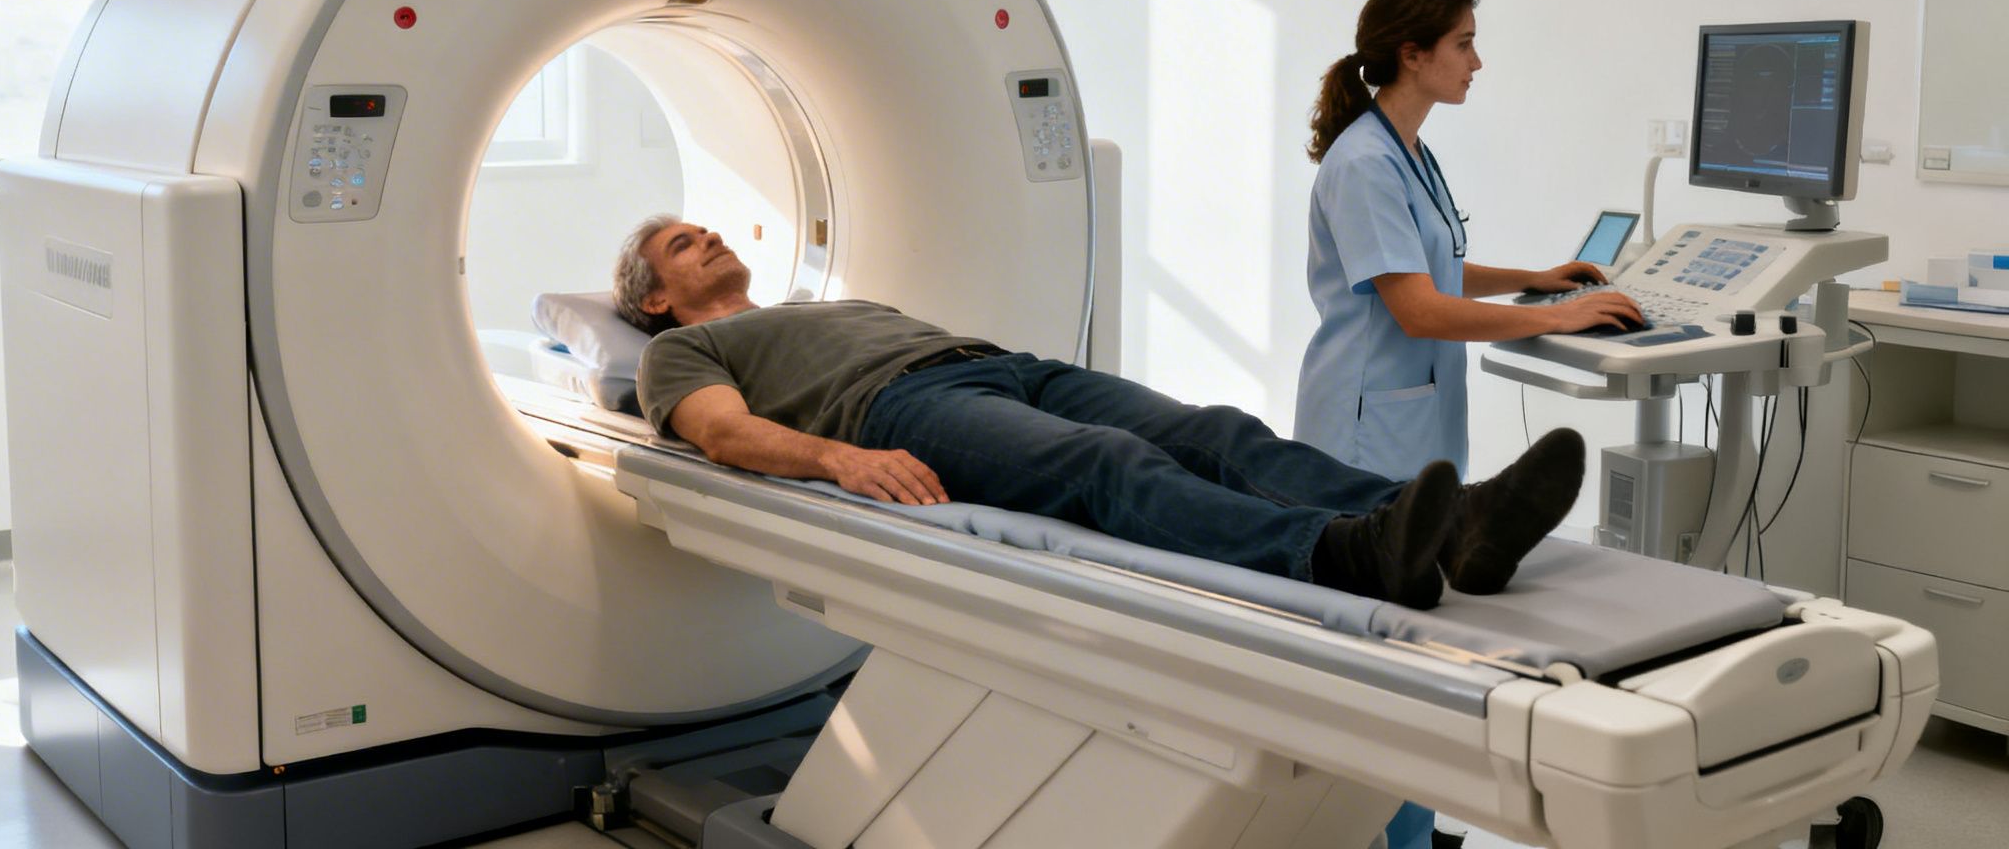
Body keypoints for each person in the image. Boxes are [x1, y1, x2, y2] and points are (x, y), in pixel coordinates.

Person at [614, 214, 1587, 611]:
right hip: (898, 410)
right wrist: (838, 461)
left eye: (702, 229)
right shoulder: (676, 350)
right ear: (654, 297)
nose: (704, 238)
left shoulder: (818, 304)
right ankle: (1347, 552)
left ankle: (1454, 530)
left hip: (1001, 367)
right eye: (680, 246)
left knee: (1216, 430)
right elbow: (721, 433)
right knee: (1106, 467)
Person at [1294, 0, 1640, 849]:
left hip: (1415, 414)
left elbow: (1440, 269)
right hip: (1366, 422)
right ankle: (1384, 831)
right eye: (1463, 44)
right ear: (1414, 54)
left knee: (1417, 625)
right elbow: (1416, 309)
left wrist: (1537, 276)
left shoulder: (1408, 146)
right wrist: (1554, 318)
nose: (1477, 62)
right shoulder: (1366, 162)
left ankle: (1412, 822)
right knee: (1385, 635)